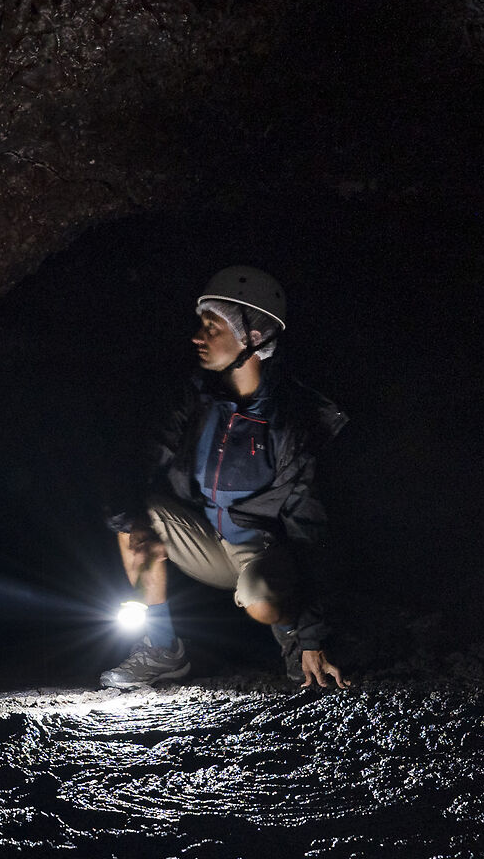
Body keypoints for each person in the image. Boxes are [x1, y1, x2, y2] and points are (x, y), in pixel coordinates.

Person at [101, 266, 351, 690]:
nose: (198, 337)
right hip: (205, 537)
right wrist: (132, 517)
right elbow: (143, 456)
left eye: (212, 327)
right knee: (132, 521)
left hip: (259, 552)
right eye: (201, 325)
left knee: (262, 598)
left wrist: (312, 637)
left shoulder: (287, 425)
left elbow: (308, 529)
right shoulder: (199, 399)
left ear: (254, 337)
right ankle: (163, 650)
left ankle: (291, 643)